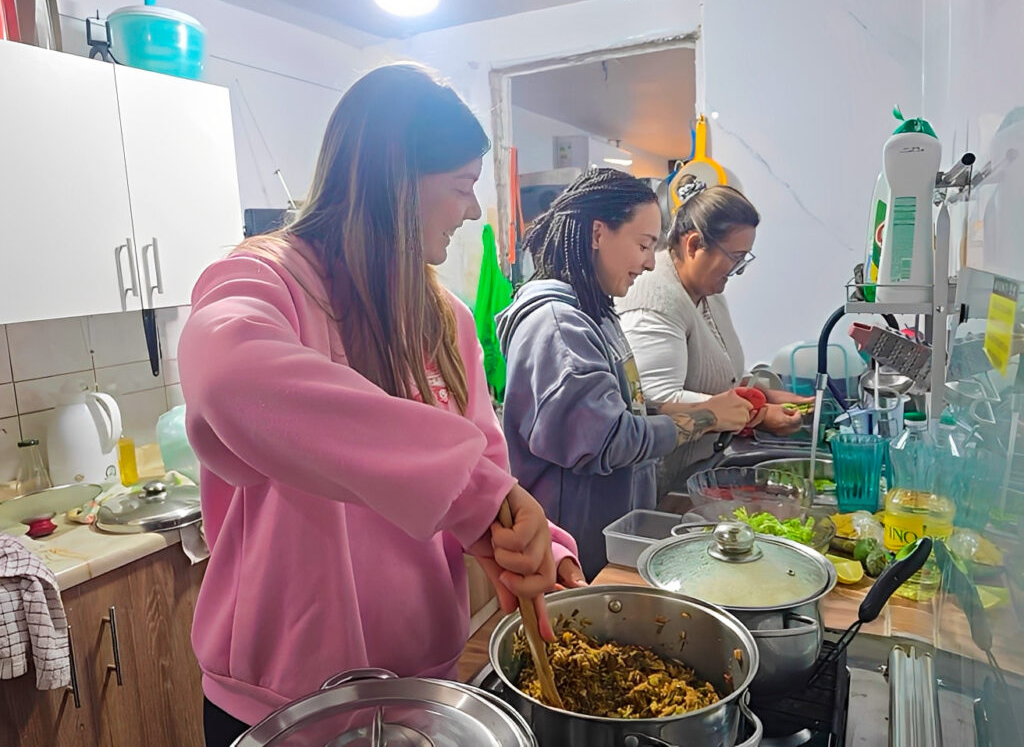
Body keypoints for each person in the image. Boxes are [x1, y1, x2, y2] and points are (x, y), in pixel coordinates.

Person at [178, 64, 583, 747]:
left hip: (421, 690)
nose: (473, 212)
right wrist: (470, 491)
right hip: (279, 706)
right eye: (461, 186)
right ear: (396, 183)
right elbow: (226, 377)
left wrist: (543, 549)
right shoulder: (263, 279)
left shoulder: (447, 320)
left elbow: (486, 475)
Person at [497, 168, 755, 579]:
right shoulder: (559, 327)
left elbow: (624, 407)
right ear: (598, 234)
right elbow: (609, 439)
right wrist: (707, 418)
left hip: (608, 543)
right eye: (643, 245)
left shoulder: (595, 312)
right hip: (573, 558)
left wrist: (696, 410)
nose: (650, 263)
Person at [617, 177, 813, 491]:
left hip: (702, 468)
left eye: (744, 258)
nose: (739, 270)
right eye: (735, 257)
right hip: (663, 484)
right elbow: (656, 398)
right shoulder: (655, 300)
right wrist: (759, 414)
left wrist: (765, 394)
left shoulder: (709, 292)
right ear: (694, 245)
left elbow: (721, 375)